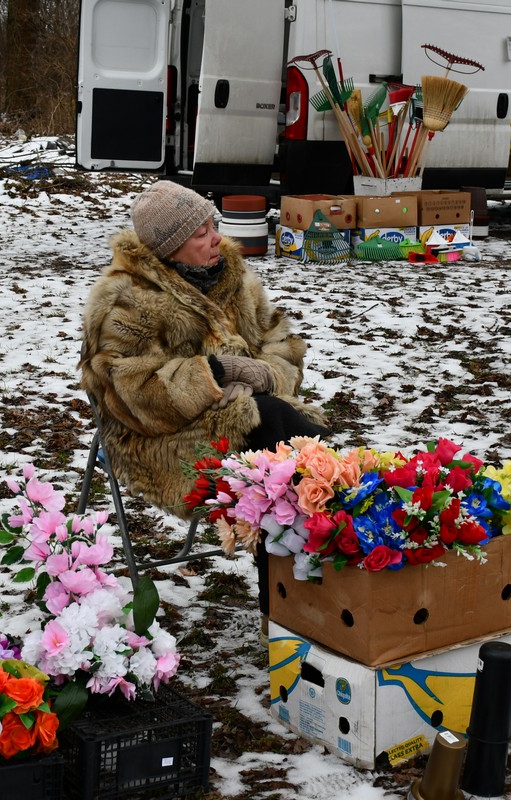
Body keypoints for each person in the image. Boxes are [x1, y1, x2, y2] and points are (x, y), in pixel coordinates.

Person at [79, 180, 330, 621]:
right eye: (201, 233)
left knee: (294, 449)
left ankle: (322, 566)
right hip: (164, 440)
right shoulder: (127, 300)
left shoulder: (233, 277)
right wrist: (217, 373)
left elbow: (279, 339)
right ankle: (291, 610)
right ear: (169, 248)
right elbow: (127, 395)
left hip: (252, 417)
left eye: (213, 224)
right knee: (281, 452)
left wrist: (266, 373)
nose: (217, 237)